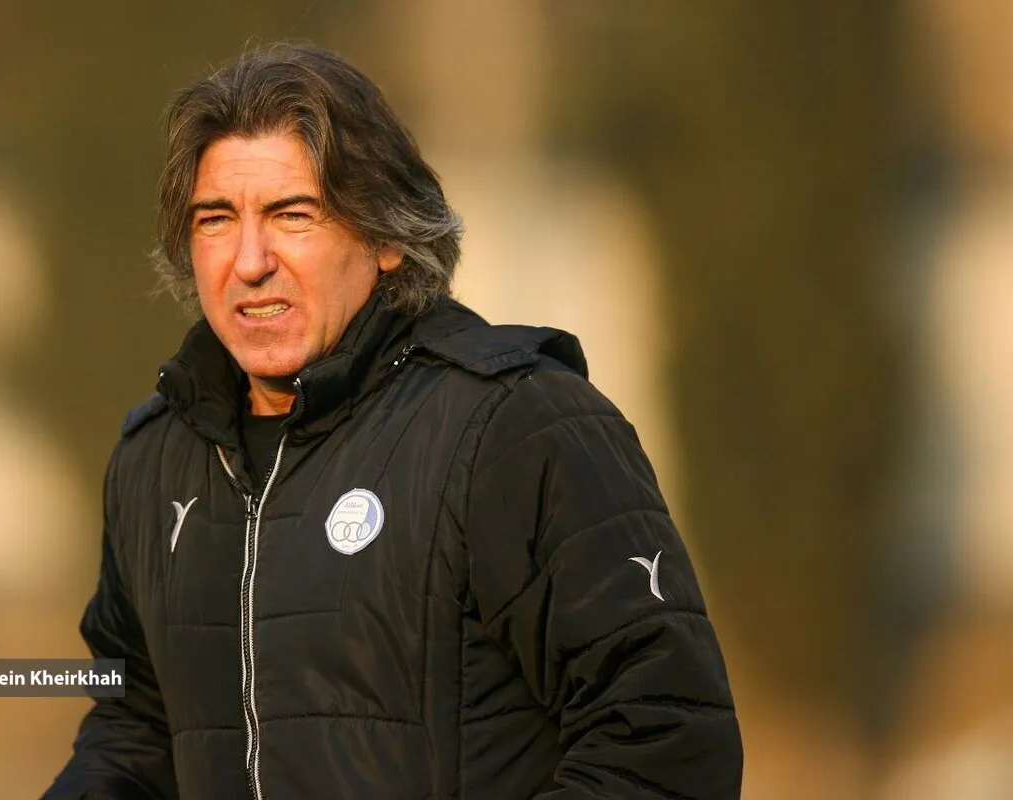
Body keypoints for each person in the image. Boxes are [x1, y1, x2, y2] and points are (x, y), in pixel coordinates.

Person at [44, 42, 743, 800]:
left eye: (292, 215)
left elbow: (665, 740)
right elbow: (137, 728)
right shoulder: (156, 456)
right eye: (216, 219)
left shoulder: (517, 426)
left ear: (384, 238)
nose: (249, 262)